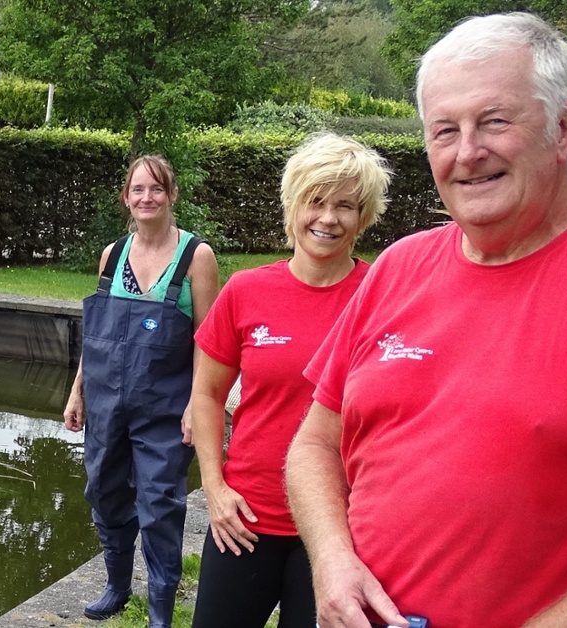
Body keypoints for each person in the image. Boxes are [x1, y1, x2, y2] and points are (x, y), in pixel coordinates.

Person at [285, 12, 567, 628]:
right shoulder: (398, 267)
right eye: (445, 130)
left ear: (563, 126)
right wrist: (332, 564)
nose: (467, 152)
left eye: (494, 121)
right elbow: (313, 444)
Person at [189, 133, 392, 628]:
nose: (327, 218)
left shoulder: (383, 295)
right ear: (293, 206)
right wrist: (214, 488)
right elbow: (207, 393)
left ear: (363, 217)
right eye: (315, 201)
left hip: (336, 532)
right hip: (245, 522)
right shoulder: (246, 291)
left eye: (345, 205)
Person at [64, 154, 220, 627]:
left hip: (166, 408)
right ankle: (116, 586)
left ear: (172, 194)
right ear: (126, 199)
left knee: (159, 506)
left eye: (156, 189)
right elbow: (96, 336)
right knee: (105, 492)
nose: (146, 198)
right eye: (137, 190)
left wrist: (198, 403)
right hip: (107, 403)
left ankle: (160, 611)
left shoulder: (197, 257)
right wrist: (78, 393)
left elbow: (209, 343)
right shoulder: (112, 255)